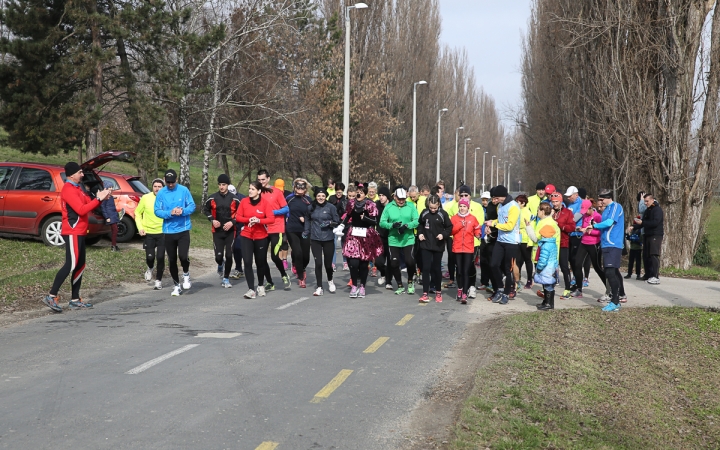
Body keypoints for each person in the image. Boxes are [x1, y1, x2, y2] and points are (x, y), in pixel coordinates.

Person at [42, 162, 112, 312]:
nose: (82, 174)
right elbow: (81, 210)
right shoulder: (68, 189)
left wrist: (102, 197)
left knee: (80, 265)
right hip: (72, 231)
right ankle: (51, 295)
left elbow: (89, 203)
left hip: (80, 231)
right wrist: (98, 199)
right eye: (80, 172)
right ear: (72, 174)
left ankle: (75, 299)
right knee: (71, 264)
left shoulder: (77, 188)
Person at [333, 183, 383, 298]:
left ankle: (362, 287)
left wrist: (365, 218)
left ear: (365, 194)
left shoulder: (370, 205)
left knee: (363, 264)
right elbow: (347, 216)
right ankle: (354, 285)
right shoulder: (351, 203)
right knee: (353, 263)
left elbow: (375, 221)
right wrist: (341, 225)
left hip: (365, 235)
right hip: (353, 235)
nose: (359, 193)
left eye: (361, 192)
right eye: (358, 191)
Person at [154, 169, 196, 297]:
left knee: (183, 256)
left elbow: (192, 206)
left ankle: (186, 274)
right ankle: (177, 285)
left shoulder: (184, 190)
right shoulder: (161, 193)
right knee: (172, 260)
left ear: (177, 180)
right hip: (168, 231)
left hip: (183, 229)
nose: (170, 184)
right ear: (165, 180)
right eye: (168, 182)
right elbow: (157, 211)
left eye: (172, 182)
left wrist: (182, 211)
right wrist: (169, 213)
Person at [587, 189, 625, 312]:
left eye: (602, 199)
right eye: (599, 199)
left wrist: (595, 225)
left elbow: (609, 222)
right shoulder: (606, 209)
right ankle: (615, 300)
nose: (600, 202)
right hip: (606, 244)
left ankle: (615, 301)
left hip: (613, 244)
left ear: (609, 198)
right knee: (610, 272)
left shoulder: (615, 206)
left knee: (610, 272)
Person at [235, 181, 275, 298]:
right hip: (246, 235)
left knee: (260, 262)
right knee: (247, 262)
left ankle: (261, 285)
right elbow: (238, 216)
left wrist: (258, 220)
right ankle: (251, 290)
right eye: (249, 188)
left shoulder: (265, 203)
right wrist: (248, 220)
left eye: (252, 189)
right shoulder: (244, 202)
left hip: (261, 236)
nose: (250, 191)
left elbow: (271, 219)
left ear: (259, 191)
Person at [446, 185, 484, 298]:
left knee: (470, 266)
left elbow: (479, 223)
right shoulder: (453, 207)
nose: (463, 197)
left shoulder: (477, 207)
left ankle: (471, 287)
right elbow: (450, 226)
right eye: (461, 195)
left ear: (470, 196)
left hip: (472, 242)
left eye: (466, 195)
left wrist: (477, 233)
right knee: (460, 268)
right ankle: (461, 288)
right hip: (457, 243)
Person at [380, 187, 420, 294]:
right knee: (394, 263)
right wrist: (392, 225)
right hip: (393, 239)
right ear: (394, 197)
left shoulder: (411, 206)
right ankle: (400, 285)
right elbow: (382, 222)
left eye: (403, 199)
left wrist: (407, 225)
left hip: (408, 238)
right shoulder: (388, 207)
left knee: (409, 261)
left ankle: (410, 281)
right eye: (399, 199)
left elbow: (416, 221)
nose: (401, 201)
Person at [484, 185, 520, 305]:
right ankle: (499, 288)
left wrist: (494, 225)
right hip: (500, 240)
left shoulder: (514, 207)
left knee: (507, 269)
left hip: (511, 242)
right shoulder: (500, 206)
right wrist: (490, 223)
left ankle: (506, 292)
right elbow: (500, 222)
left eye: (496, 197)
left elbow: (509, 226)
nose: (495, 200)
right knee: (493, 264)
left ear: (502, 196)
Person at [203, 174, 240, 288]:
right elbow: (205, 210)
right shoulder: (212, 198)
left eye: (223, 185)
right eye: (220, 185)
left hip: (230, 232)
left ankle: (226, 278)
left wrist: (232, 222)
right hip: (217, 232)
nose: (221, 187)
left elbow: (241, 214)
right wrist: (212, 220)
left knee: (229, 255)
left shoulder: (235, 199)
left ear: (228, 185)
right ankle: (220, 264)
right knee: (218, 256)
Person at [257, 170, 290, 291]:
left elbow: (286, 209)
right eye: (259, 180)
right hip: (262, 228)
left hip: (276, 228)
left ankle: (283, 274)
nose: (261, 182)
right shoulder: (257, 192)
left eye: (263, 180)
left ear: (268, 179)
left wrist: (272, 213)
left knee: (275, 257)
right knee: (261, 257)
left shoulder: (276, 192)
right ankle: (270, 282)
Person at [418, 194, 452, 303]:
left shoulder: (443, 214)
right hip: (426, 244)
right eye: (431, 207)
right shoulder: (424, 213)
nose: (432, 210)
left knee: (436, 269)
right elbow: (420, 225)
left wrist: (443, 235)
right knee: (426, 268)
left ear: (438, 205)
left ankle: (438, 291)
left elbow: (449, 227)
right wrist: (420, 234)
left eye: (435, 208)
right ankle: (425, 293)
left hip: (438, 245)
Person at [572, 199, 607, 298]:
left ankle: (609, 289)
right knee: (577, 264)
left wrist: (590, 231)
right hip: (584, 242)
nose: (585, 212)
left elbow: (600, 232)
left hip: (594, 244)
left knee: (597, 267)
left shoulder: (598, 216)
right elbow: (584, 227)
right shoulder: (584, 216)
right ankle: (579, 289)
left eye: (586, 210)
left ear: (591, 208)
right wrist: (580, 229)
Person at [308, 186, 340, 296]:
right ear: (315, 197)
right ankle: (319, 287)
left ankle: (330, 281)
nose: (321, 198)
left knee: (327, 264)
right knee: (318, 263)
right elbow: (307, 220)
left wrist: (329, 223)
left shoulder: (331, 207)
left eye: (323, 196)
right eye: (318, 196)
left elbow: (337, 221)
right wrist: (306, 232)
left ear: (325, 197)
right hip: (315, 239)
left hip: (328, 238)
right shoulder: (311, 207)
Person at [135, 178, 166, 290]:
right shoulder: (145, 198)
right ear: (152, 187)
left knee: (161, 257)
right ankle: (150, 268)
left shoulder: (167, 198)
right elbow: (137, 213)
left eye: (159, 186)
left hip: (163, 232)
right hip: (149, 233)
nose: (157, 188)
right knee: (150, 257)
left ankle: (158, 281)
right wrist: (140, 227)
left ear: (163, 187)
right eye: (155, 186)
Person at [451, 198, 481, 304]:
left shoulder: (472, 218)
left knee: (466, 271)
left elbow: (477, 228)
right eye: (461, 206)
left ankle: (464, 293)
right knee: (459, 271)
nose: (462, 208)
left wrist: (478, 234)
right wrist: (460, 225)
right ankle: (459, 289)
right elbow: (451, 231)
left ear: (468, 207)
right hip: (457, 248)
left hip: (468, 248)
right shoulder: (454, 218)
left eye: (464, 206)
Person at [548, 191, 576, 299]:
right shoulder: (549, 211)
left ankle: (567, 289)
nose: (554, 204)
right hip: (551, 243)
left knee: (564, 266)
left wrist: (559, 224)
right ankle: (548, 287)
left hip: (563, 243)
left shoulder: (568, 212)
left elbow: (571, 227)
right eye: (553, 202)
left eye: (556, 201)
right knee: (550, 267)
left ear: (561, 201)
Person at [286, 179, 312, 288]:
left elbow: (313, 214)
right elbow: (283, 210)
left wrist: (306, 219)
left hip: (305, 229)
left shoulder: (308, 200)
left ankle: (302, 268)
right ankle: (301, 277)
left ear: (305, 189)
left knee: (306, 256)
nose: (300, 189)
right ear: (294, 187)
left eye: (302, 187)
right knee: (298, 253)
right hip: (291, 229)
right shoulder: (289, 198)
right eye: (298, 187)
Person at [633, 193, 663, 285]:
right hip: (647, 234)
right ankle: (648, 274)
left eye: (647, 201)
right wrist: (634, 227)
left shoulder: (657, 210)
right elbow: (643, 223)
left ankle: (655, 276)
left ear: (652, 200)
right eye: (644, 201)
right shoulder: (647, 210)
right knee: (646, 255)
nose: (645, 203)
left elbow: (655, 222)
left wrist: (643, 222)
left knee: (653, 255)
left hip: (655, 235)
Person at [533, 221, 560, 311]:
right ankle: (548, 302)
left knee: (547, 286)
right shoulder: (553, 244)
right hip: (552, 267)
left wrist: (539, 268)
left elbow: (543, 259)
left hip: (546, 269)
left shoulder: (545, 246)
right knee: (549, 285)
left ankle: (548, 303)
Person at [514, 194, 534, 290]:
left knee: (527, 260)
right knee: (517, 260)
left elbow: (531, 226)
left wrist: (530, 242)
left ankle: (529, 280)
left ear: (523, 203)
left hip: (525, 239)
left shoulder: (527, 212)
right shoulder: (516, 211)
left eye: (518, 201)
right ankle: (517, 279)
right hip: (517, 238)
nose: (516, 203)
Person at [374, 186, 392, 289]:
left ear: (387, 196)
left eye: (383, 195)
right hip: (379, 236)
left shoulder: (392, 205)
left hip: (391, 236)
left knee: (391, 261)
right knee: (378, 261)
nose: (381, 197)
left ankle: (388, 282)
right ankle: (384, 272)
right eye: (379, 195)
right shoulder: (376, 205)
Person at [228, 184, 246, 280]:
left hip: (241, 226)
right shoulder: (224, 198)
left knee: (238, 247)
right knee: (232, 248)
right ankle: (237, 268)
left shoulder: (243, 199)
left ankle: (239, 268)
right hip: (230, 226)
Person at [329, 182, 347, 270]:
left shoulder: (345, 198)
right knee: (334, 243)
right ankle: (333, 263)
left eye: (340, 192)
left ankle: (345, 262)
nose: (338, 194)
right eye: (337, 192)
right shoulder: (331, 198)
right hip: (334, 223)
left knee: (344, 243)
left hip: (344, 223)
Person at [100, 180, 122, 251]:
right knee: (115, 230)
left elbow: (112, 207)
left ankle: (114, 245)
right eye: (110, 187)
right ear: (106, 187)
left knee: (115, 230)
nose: (111, 188)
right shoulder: (105, 197)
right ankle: (113, 246)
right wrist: (107, 217)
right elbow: (103, 207)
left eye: (112, 187)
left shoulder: (111, 197)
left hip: (113, 215)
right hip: (110, 216)